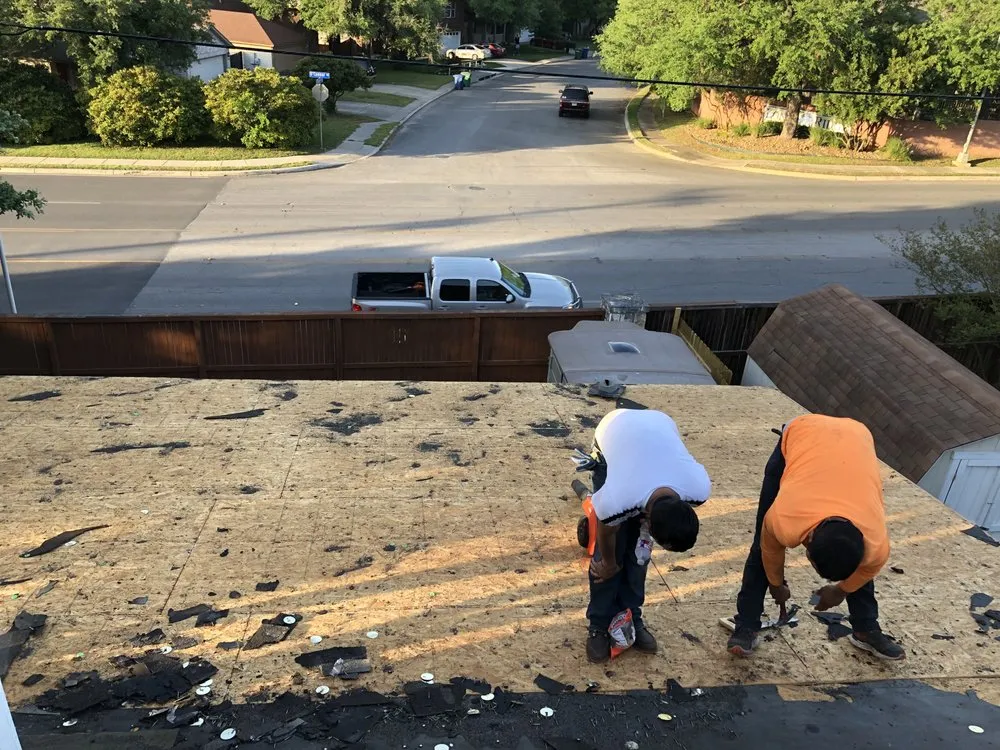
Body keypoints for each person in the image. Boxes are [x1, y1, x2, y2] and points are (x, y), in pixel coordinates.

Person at [727, 414, 905, 661]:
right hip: (803, 432)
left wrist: (841, 590)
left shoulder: (875, 543)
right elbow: (769, 549)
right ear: (807, 541)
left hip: (855, 437)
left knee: (852, 558)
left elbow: (865, 568)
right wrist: (776, 585)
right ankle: (746, 624)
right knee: (759, 547)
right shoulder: (784, 517)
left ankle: (866, 629)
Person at [584, 408, 710, 663]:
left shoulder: (698, 488)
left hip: (658, 425)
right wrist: (609, 563)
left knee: (638, 554)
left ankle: (631, 616)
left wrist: (643, 537)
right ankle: (598, 624)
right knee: (610, 555)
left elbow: (644, 542)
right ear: (649, 520)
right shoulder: (617, 499)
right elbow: (606, 531)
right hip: (615, 429)